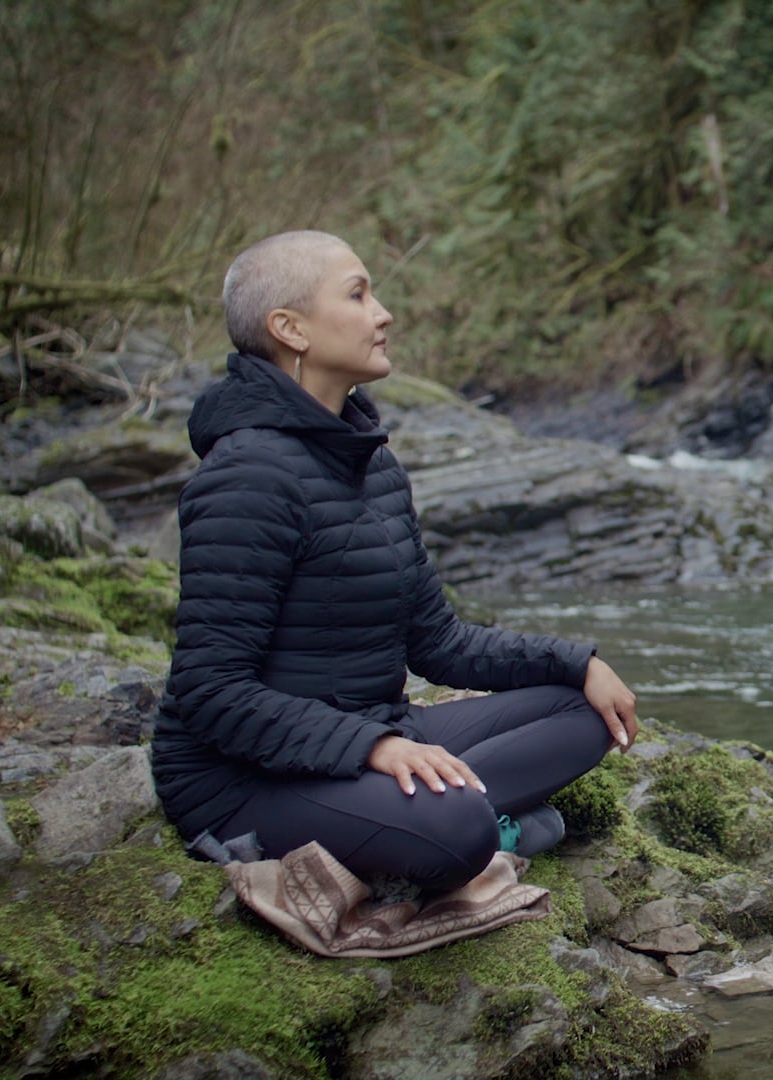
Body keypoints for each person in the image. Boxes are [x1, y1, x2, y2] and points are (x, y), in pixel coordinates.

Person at [150, 229, 638, 893]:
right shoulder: (245, 478)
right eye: (358, 294)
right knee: (459, 826)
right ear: (289, 327)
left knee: (584, 710)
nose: (383, 313)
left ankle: (463, 815)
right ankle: (481, 822)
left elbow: (437, 642)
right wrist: (371, 750)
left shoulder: (370, 461)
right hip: (242, 781)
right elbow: (212, 693)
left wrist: (575, 660)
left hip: (367, 732)